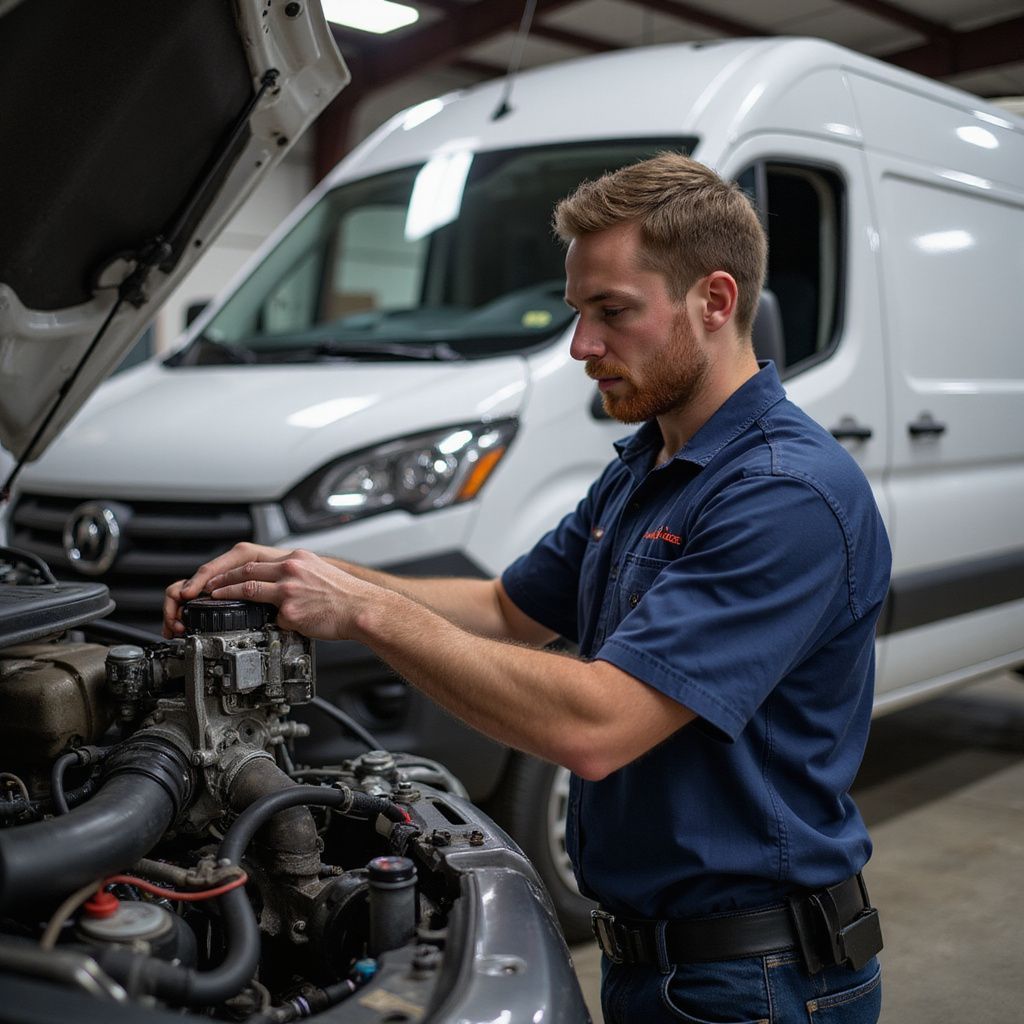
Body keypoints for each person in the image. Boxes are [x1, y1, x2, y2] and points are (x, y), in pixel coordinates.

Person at [165, 153, 891, 1023]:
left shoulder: (783, 493)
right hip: (657, 962)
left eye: (612, 312)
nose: (583, 346)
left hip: (758, 979)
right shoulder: (648, 466)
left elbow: (599, 724)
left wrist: (368, 611)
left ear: (716, 301)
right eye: (578, 312)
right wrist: (311, 577)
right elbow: (509, 609)